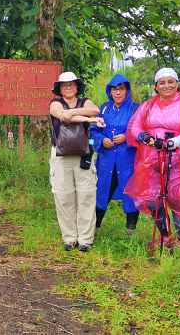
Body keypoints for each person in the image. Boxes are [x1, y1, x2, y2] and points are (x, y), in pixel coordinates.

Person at [125, 68, 180, 250]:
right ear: (156, 86)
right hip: (152, 158)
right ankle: (165, 236)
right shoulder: (148, 105)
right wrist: (145, 138)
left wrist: (172, 143)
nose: (166, 86)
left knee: (178, 197)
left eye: (170, 81)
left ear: (177, 84)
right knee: (153, 198)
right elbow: (135, 126)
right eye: (162, 82)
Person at [48, 71, 103, 252]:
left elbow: (95, 109)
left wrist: (76, 113)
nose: (69, 87)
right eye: (65, 85)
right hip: (61, 156)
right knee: (64, 196)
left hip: (83, 154)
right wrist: (89, 119)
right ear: (60, 89)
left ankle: (85, 239)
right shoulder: (55, 103)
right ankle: (69, 238)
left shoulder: (85, 101)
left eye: (71, 84)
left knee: (86, 195)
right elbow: (61, 116)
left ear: (77, 86)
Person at [90, 74, 140, 235]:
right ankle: (94, 229)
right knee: (101, 191)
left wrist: (127, 136)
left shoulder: (135, 109)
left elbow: (143, 131)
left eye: (121, 89)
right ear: (110, 91)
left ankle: (130, 232)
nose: (117, 93)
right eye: (114, 89)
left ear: (127, 91)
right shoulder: (103, 108)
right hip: (107, 160)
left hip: (128, 160)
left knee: (131, 193)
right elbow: (93, 131)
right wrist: (102, 139)